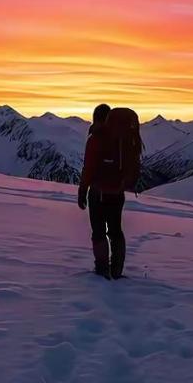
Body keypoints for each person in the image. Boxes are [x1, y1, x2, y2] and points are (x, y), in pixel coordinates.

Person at [77, 103, 126, 279]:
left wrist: (82, 190)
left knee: (98, 232)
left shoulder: (95, 139)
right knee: (116, 231)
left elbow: (88, 168)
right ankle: (117, 270)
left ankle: (102, 269)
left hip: (98, 193)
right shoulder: (121, 138)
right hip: (118, 193)